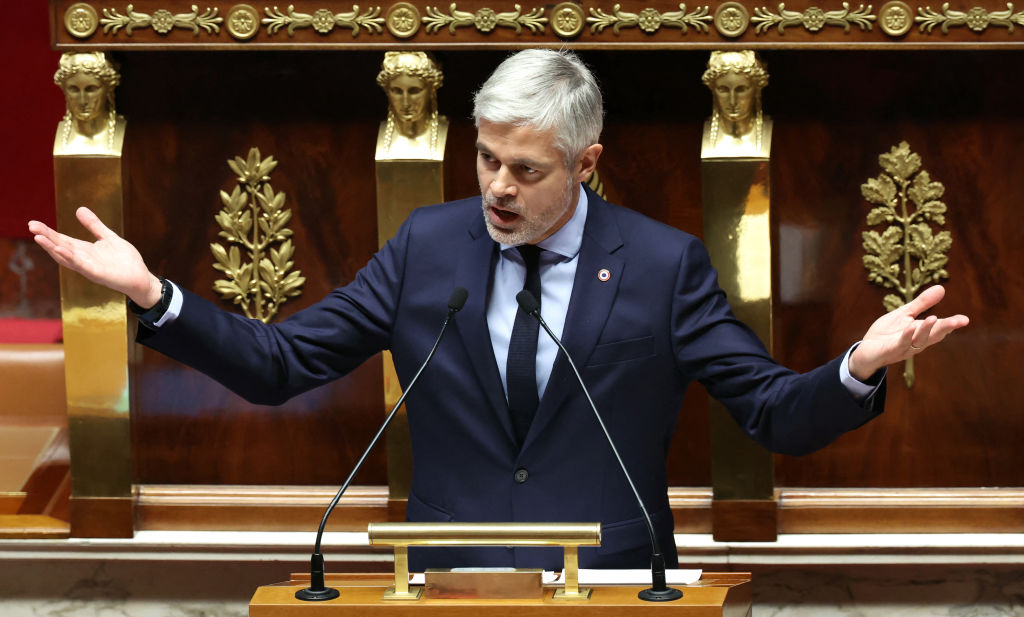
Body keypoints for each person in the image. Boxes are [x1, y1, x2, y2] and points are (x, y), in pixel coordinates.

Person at [29, 49, 969, 571]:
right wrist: (156, 296)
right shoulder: (427, 248)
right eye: (487, 160)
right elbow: (283, 366)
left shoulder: (660, 264)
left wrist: (858, 367)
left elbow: (769, 409)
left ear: (587, 164)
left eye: (527, 169)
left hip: (611, 583)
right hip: (445, 582)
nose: (498, 189)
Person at [375, 51, 448, 160]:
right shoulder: (379, 135)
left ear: (432, 90)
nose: (406, 103)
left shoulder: (444, 130)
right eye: (397, 91)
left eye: (414, 91)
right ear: (386, 91)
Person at [53, 52, 126, 155]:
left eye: (91, 89)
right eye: (74, 89)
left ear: (109, 89)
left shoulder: (120, 130)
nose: (83, 101)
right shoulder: (63, 138)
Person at [701, 49, 770, 158]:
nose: (732, 101)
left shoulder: (773, 133)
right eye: (723, 90)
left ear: (757, 89)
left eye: (741, 89)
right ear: (713, 90)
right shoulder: (698, 135)